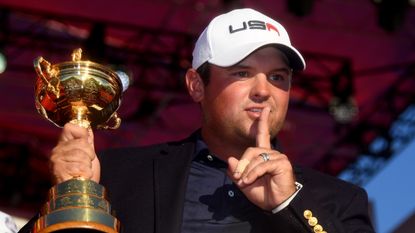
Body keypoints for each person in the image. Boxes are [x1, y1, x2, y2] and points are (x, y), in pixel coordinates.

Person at [19, 8, 374, 233]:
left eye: (278, 77)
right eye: (242, 72)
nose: (263, 90)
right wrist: (69, 197)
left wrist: (288, 207)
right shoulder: (116, 176)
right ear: (196, 85)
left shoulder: (339, 201)